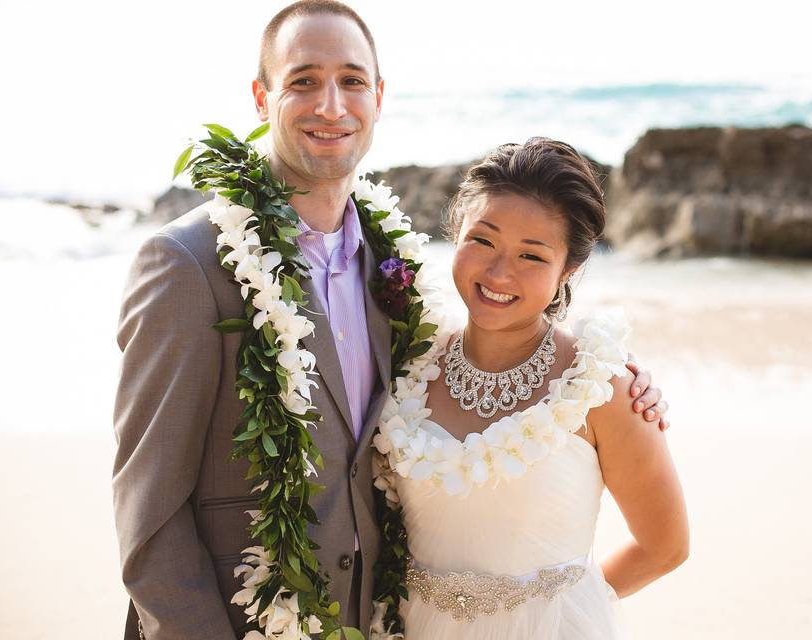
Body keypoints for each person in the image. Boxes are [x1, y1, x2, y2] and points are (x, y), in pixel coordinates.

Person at [111, 2, 670, 638]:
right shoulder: (184, 266)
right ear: (262, 97)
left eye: (351, 81)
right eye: (303, 80)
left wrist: (616, 382)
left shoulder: (394, 275)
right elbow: (148, 516)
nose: (330, 105)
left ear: (377, 98)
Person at [373, 138, 688, 639]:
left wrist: (551, 609)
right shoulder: (407, 362)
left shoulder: (602, 388)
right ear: (454, 231)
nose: (500, 272)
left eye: (532, 256)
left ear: (570, 270)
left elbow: (664, 547)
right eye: (483, 240)